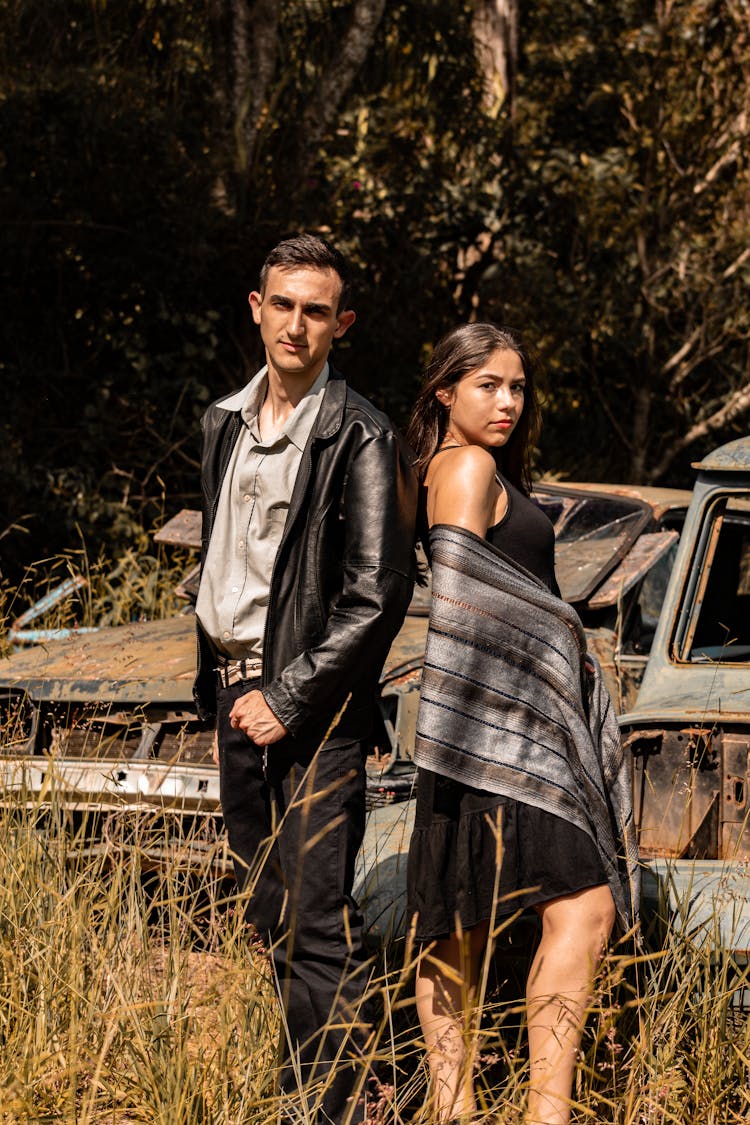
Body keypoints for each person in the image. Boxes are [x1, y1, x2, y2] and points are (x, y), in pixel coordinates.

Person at [192, 233, 418, 1123]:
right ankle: (380, 1083)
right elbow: (230, 564)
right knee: (272, 912)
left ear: (341, 324)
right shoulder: (223, 421)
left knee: (315, 919)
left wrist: (288, 698)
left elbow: (376, 593)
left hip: (310, 709)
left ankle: (316, 1108)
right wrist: (222, 686)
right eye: (282, 305)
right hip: (233, 696)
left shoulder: (361, 432)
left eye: (316, 310)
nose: (296, 325)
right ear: (257, 308)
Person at [404, 324, 639, 1125]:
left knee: (467, 919)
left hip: (496, 729)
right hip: (492, 733)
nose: (508, 402)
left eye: (518, 387)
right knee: (569, 907)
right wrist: (557, 641)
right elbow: (465, 606)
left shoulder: (476, 466)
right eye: (488, 386)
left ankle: (470, 1108)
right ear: (444, 391)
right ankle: (528, 1110)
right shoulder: (467, 467)